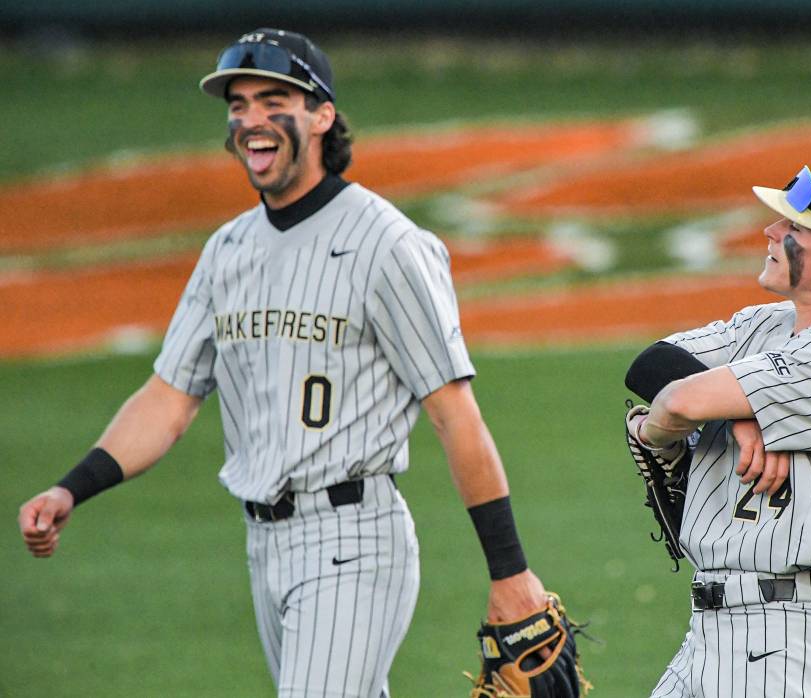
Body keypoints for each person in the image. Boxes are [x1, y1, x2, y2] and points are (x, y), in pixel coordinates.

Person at [18, 28, 548, 697]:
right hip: (262, 545)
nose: (250, 120)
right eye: (237, 104)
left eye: (273, 101)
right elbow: (168, 398)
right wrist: (72, 487)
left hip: (354, 540)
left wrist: (509, 571)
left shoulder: (385, 245)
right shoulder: (228, 251)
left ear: (322, 115)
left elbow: (453, 413)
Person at [624, 160, 811, 696]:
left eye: (797, 227)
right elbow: (649, 365)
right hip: (707, 635)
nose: (772, 231)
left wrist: (709, 409)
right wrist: (744, 415)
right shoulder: (766, 324)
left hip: (779, 645)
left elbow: (679, 402)